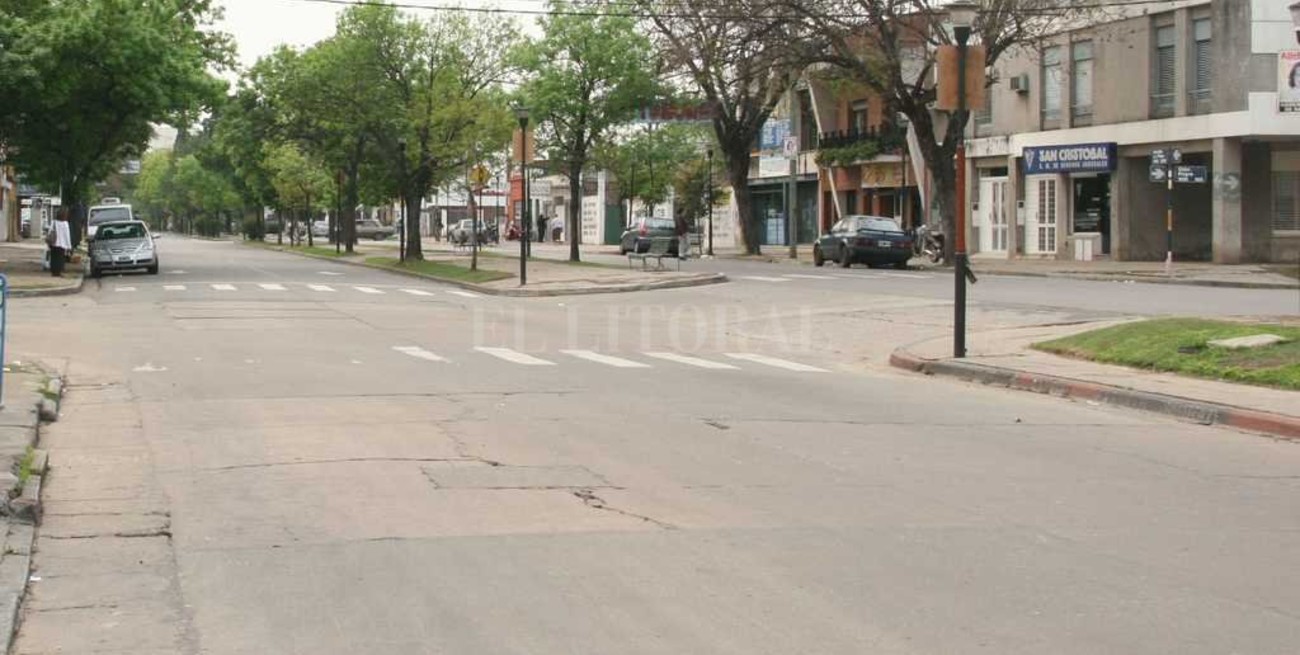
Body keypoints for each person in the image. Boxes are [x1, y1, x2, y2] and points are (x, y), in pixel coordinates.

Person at [47, 209, 72, 277]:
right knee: (60, 258)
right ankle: (59, 272)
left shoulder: (54, 222)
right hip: (62, 243)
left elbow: (50, 232)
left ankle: (53, 272)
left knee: (53, 258)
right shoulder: (65, 224)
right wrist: (69, 246)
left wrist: (49, 241)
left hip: (53, 243)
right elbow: (67, 235)